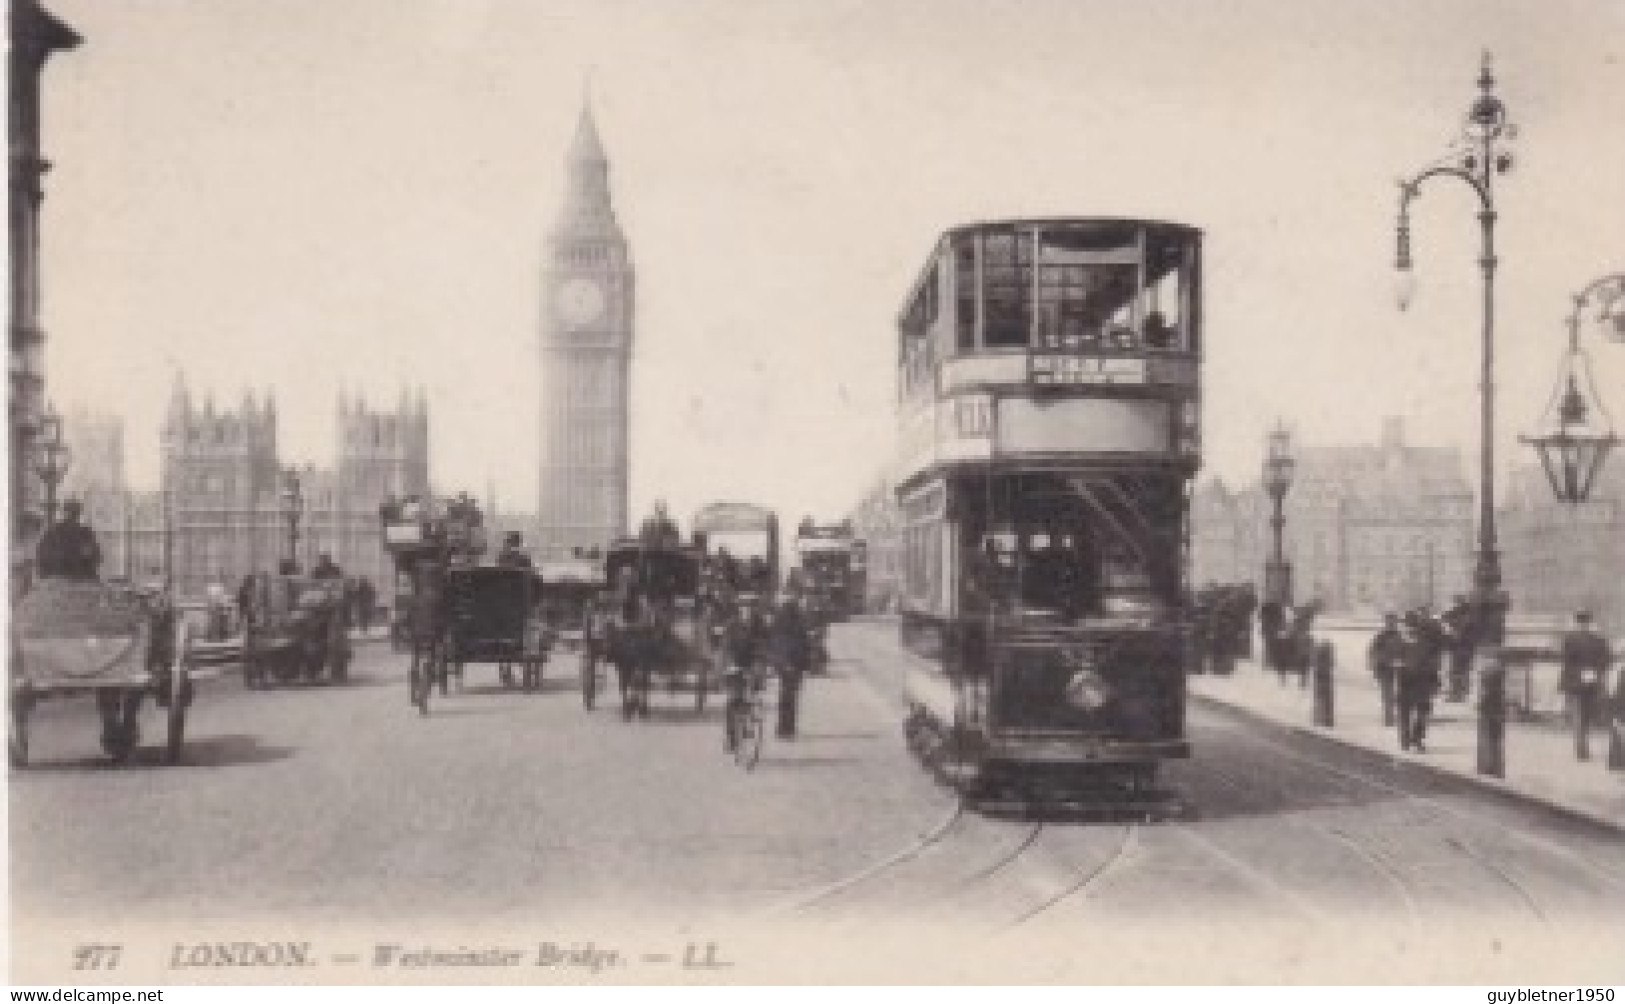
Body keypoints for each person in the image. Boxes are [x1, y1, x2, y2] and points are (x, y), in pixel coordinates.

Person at [1559, 610, 1613, 761]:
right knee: (1587, 716)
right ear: (1589, 622)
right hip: (1592, 682)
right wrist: (1596, 672)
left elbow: (1565, 661)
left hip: (1574, 683)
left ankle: (1581, 750)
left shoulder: (1569, 639)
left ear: (1577, 622)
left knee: (1578, 716)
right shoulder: (1599, 639)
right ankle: (1584, 747)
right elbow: (1607, 660)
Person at [769, 575, 814, 739]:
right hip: (789, 658)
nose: (799, 596)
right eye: (798, 593)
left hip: (791, 658)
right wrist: (787, 660)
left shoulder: (791, 610)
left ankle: (786, 728)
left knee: (789, 693)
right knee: (789, 693)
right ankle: (785, 729)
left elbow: (802, 637)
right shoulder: (789, 611)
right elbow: (785, 638)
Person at [721, 595, 767, 752]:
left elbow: (765, 644)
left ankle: (750, 721)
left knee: (753, 695)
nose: (747, 610)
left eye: (751, 607)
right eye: (744, 606)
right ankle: (731, 738)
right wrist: (731, 664)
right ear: (739, 608)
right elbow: (726, 647)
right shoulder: (732, 625)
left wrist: (762, 662)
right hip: (734, 665)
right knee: (733, 700)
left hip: (753, 665)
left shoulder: (760, 625)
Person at [1396, 612, 1439, 752]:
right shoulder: (1398, 642)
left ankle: (1417, 739)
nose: (1411, 630)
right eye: (1408, 626)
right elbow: (1390, 658)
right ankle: (1405, 739)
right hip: (1406, 682)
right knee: (1405, 713)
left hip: (1423, 683)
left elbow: (1433, 664)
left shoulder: (1426, 644)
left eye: (1413, 626)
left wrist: (1435, 682)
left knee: (1422, 713)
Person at [35, 500, 101, 581]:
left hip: (81, 577)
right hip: (57, 577)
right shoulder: (53, 532)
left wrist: (90, 555)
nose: (72, 516)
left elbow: (96, 556)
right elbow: (41, 556)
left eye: (75, 513)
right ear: (64, 513)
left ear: (78, 514)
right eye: (69, 512)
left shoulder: (85, 533)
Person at [1367, 612, 1406, 727]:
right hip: (1384, 669)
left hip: (1399, 669)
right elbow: (1373, 652)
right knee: (1388, 693)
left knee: (1399, 694)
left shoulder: (1401, 636)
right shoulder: (1380, 637)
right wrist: (1378, 663)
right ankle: (1389, 718)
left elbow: (1406, 651)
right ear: (1386, 623)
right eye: (1389, 622)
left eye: (1393, 622)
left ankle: (1399, 716)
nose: (1392, 624)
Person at [1441, 594, 1475, 702]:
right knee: (1458, 670)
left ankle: (1459, 693)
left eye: (1458, 602)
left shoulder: (1467, 614)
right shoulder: (1460, 612)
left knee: (1460, 670)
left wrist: (1452, 625)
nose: (1457, 604)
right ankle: (1458, 692)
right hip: (1460, 646)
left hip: (1464, 646)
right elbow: (1445, 617)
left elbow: (1462, 625)